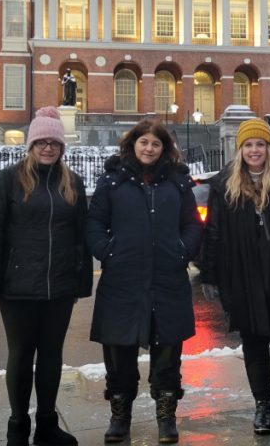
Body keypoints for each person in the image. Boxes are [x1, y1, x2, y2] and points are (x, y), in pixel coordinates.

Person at [0, 106, 91, 446]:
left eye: (53, 142)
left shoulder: (73, 183)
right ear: (30, 145)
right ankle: (17, 427)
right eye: (40, 142)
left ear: (61, 147)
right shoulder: (9, 180)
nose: (47, 148)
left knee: (52, 355)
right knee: (21, 354)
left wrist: (80, 282)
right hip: (18, 287)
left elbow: (81, 235)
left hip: (60, 286)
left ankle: (46, 425)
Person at [87, 119, 203, 444]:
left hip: (167, 280)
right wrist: (107, 251)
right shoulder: (113, 182)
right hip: (123, 281)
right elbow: (94, 222)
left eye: (155, 143)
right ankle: (120, 415)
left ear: (163, 148)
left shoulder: (177, 184)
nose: (149, 148)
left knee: (167, 354)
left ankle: (166, 416)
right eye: (144, 142)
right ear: (132, 145)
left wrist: (183, 250)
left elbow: (192, 224)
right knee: (119, 354)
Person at [199, 119, 270, 437]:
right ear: (240, 149)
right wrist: (209, 273)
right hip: (242, 275)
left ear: (269, 148)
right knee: (254, 343)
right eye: (248, 145)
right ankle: (262, 406)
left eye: (260, 144)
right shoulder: (224, 183)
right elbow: (214, 231)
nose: (254, 150)